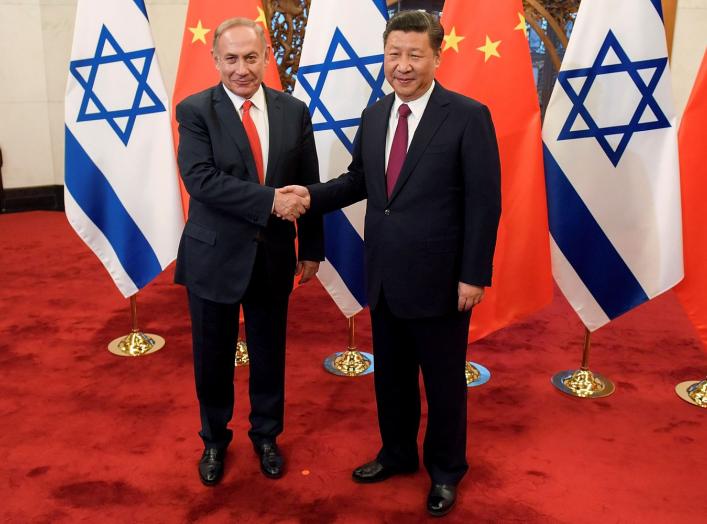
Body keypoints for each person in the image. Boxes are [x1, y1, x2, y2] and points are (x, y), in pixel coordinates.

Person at [282, 10, 500, 517]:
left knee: (444, 384)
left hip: (443, 280)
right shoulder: (377, 113)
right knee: (392, 378)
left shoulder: (468, 115)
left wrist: (474, 274)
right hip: (382, 273)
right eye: (393, 54)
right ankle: (397, 454)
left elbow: (485, 204)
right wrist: (309, 196)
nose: (402, 66)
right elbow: (360, 181)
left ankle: (446, 471)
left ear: (437, 56)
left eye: (414, 55)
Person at [174, 17, 322, 486]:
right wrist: (269, 201)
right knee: (212, 357)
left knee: (268, 353)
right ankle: (215, 441)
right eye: (232, 58)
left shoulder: (293, 111)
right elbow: (200, 179)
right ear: (215, 59)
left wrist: (312, 247)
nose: (242, 68)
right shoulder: (195, 110)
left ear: (266, 58)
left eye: (251, 57)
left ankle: (266, 436)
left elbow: (309, 183)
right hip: (213, 256)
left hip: (273, 256)